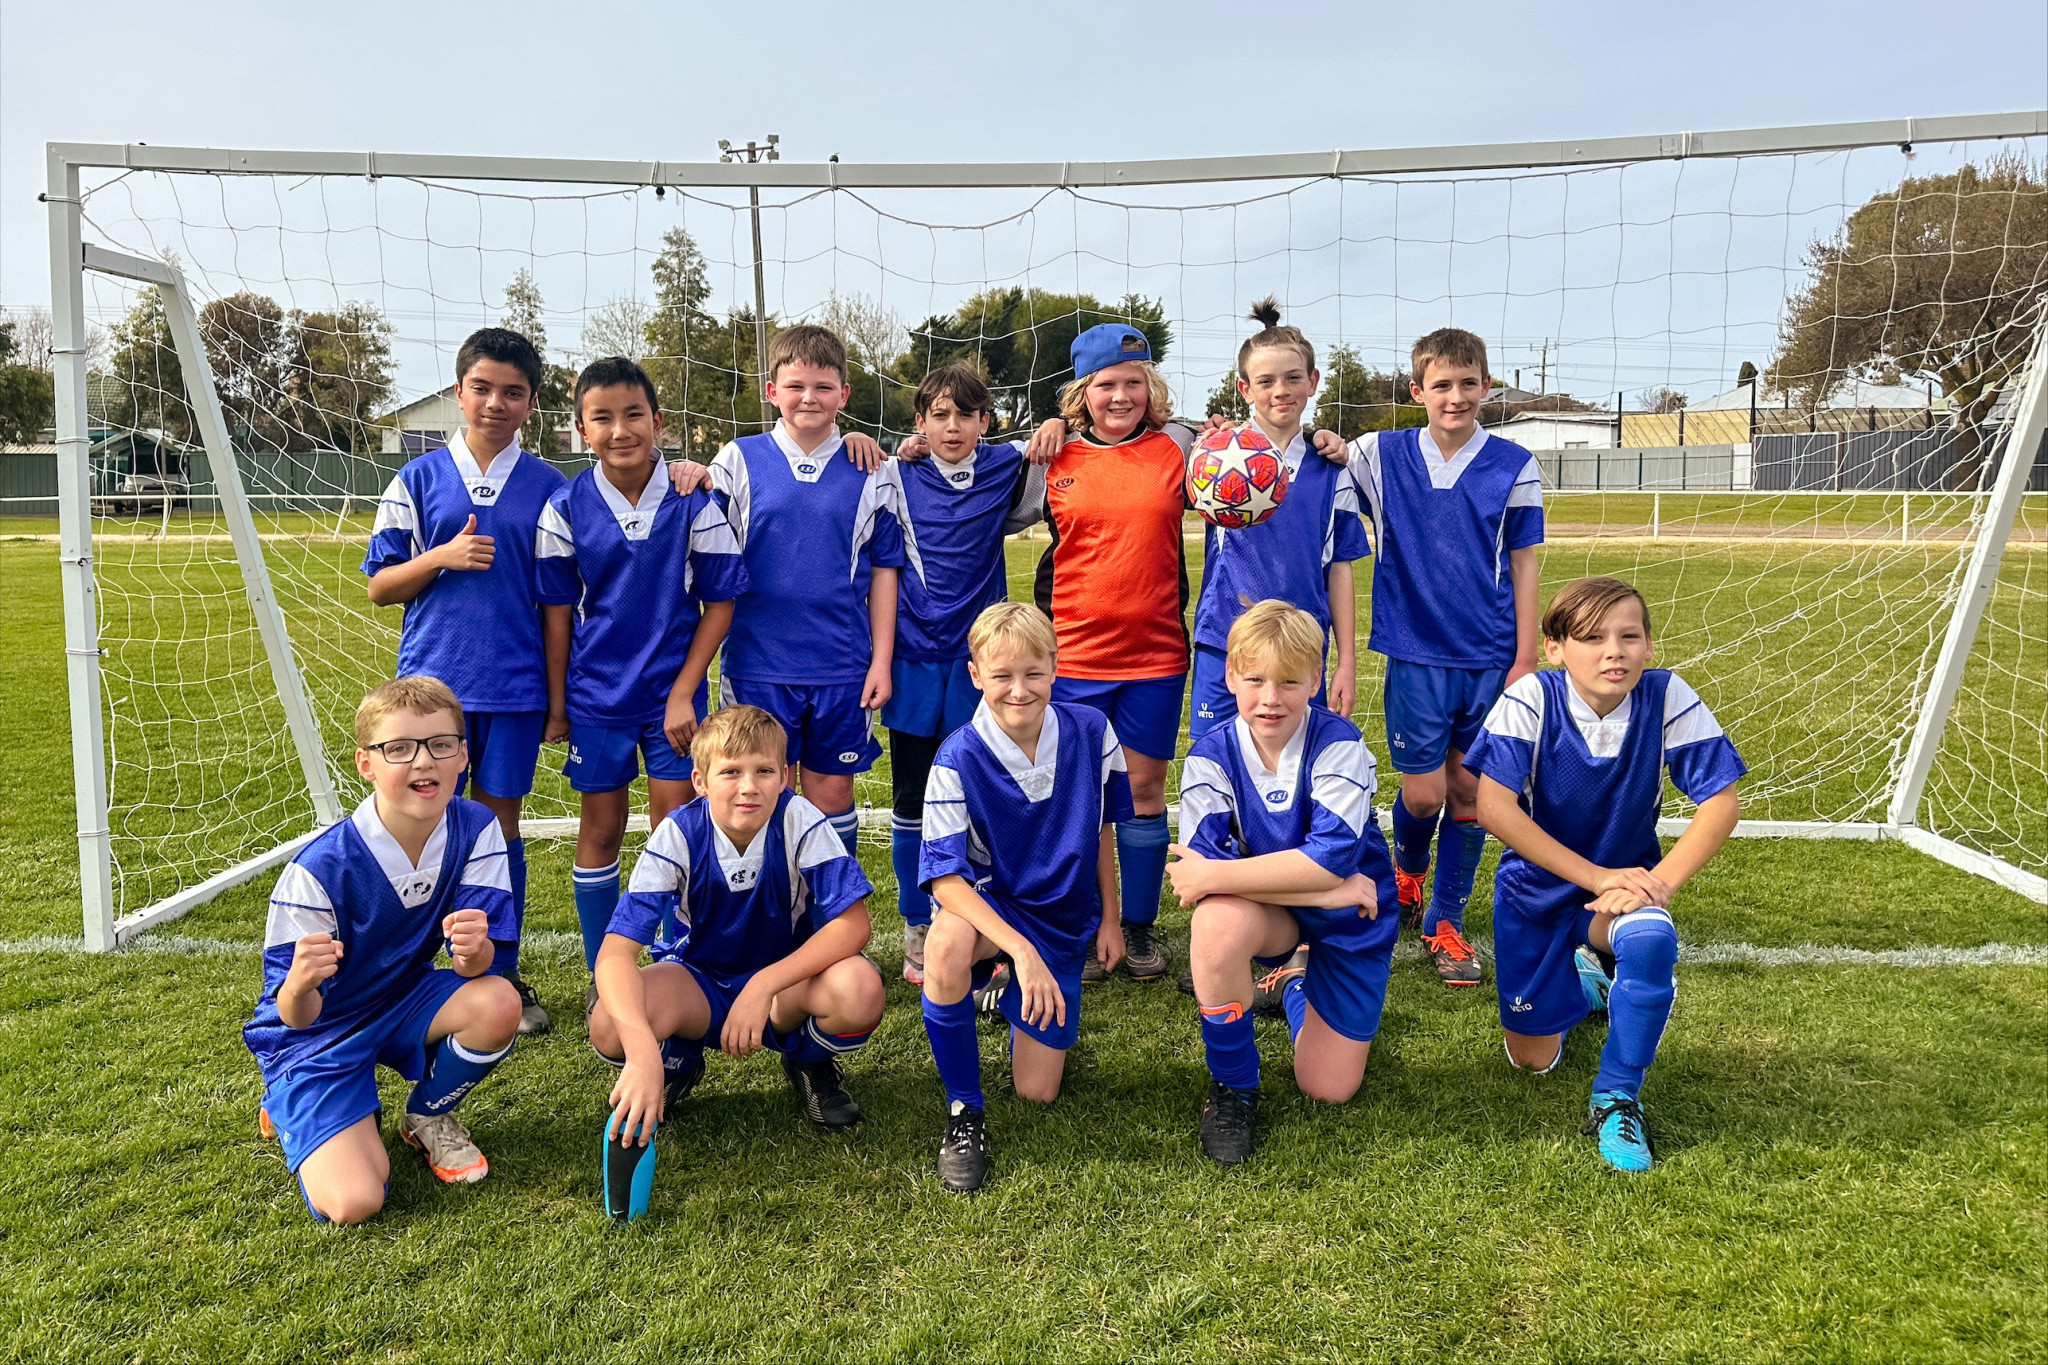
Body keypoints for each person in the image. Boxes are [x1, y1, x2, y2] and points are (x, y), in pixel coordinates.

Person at [1463, 576, 1743, 1173]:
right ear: (1556, 648)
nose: (1612, 650)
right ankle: (1587, 982)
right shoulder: (1530, 698)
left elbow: (1722, 803)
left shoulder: (1666, 696)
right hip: (1536, 894)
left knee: (1651, 937)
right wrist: (1593, 876)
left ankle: (1617, 1098)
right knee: (1532, 1061)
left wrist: (1659, 884)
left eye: (1628, 636)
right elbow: (1493, 808)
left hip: (1616, 897)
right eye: (1591, 637)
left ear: (1647, 647)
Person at [245, 676, 524, 1223]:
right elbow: (293, 1014)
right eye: (399, 749)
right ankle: (294, 1098)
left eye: (440, 744)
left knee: (498, 1002)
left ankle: (426, 1116)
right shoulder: (319, 871)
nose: (423, 763)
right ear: (366, 764)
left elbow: (478, 966)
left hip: (401, 997)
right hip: (318, 1031)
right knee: (356, 1202)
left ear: (463, 754)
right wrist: (300, 983)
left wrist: (473, 951)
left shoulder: (476, 826)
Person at [590, 704, 886, 1220]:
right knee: (609, 1027)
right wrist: (641, 1055)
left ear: (784, 777)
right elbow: (615, 954)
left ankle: (808, 1062)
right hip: (699, 984)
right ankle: (672, 1060)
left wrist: (764, 986)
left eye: (764, 771)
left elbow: (853, 925)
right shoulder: (678, 833)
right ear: (700, 781)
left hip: (782, 993)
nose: (748, 786)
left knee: (860, 988)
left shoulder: (799, 818)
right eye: (731, 772)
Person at [364, 327, 571, 1032]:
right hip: (431, 696)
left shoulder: (550, 486)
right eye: (481, 388)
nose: (494, 402)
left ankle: (503, 967)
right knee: (422, 828)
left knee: (496, 830)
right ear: (459, 392)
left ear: (531, 404)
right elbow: (380, 586)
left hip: (514, 689)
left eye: (512, 392)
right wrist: (442, 555)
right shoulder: (416, 480)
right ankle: (416, 966)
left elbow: (557, 606)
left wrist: (555, 697)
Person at [535, 356, 748, 985]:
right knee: (599, 831)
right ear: (580, 429)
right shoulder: (564, 506)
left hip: (671, 704)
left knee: (673, 831)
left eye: (633, 415)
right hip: (597, 697)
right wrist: (557, 706)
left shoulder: (692, 498)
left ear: (658, 421)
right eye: (601, 418)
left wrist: (684, 693)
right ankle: (607, 967)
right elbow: (555, 617)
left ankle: (676, 964)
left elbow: (722, 603)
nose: (620, 429)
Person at [1346, 327, 1544, 987]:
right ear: (1416, 391)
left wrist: (1525, 656)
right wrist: (1319, 441)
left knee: (1470, 792)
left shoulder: (1514, 464)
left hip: (1489, 656)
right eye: (1441, 384)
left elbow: (1526, 562)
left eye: (1468, 383)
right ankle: (1407, 869)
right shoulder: (1379, 454)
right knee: (1425, 793)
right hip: (1415, 654)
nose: (1454, 396)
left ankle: (1446, 919)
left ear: (1486, 386)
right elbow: (1308, 458)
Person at [1168, 602, 1394, 1165]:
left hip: (1353, 917)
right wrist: (1324, 887)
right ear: (1229, 678)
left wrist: (1326, 887)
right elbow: (1197, 889)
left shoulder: (1340, 744)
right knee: (1216, 924)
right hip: (1287, 908)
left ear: (1316, 681)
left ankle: (1294, 986)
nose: (1271, 698)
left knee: (1328, 1089)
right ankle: (1234, 1087)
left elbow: (1330, 861)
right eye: (1255, 680)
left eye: (1290, 682)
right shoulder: (1211, 755)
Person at [917, 603, 1133, 1192]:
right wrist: (1021, 950)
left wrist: (1110, 920)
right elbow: (946, 882)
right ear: (976, 675)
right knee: (944, 946)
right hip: (991, 910)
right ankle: (965, 1110)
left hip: (1062, 916)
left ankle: (1003, 987)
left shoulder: (1093, 731)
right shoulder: (956, 757)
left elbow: (1103, 829)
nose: (1020, 689)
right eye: (1003, 675)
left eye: (1034, 673)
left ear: (1056, 668)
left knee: (1037, 1092)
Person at [708, 325, 908, 863]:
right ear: (771, 390)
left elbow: (886, 571)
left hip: (840, 665)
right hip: (756, 663)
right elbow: (704, 549)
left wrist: (881, 661)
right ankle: (773, 912)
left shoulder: (872, 469)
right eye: (795, 386)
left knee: (832, 793)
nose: (809, 398)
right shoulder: (737, 460)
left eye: (823, 387)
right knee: (760, 793)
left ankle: (828, 912)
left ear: (844, 394)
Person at [881, 364, 1042, 984]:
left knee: (984, 797)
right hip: (916, 658)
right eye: (939, 415)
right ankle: (917, 922)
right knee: (915, 801)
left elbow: (1059, 447)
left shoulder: (1007, 467)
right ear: (919, 422)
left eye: (965, 415)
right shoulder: (895, 474)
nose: (952, 427)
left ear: (985, 421)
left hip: (987, 665)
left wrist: (1054, 421)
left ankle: (988, 924)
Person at [1188, 299, 1370, 739]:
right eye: (1265, 381)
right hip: (1225, 638)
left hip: (1302, 643)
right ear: (1244, 389)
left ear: (1313, 383)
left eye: (1292, 379)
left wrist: (1346, 661)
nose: (1280, 391)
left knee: (1293, 765)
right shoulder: (1214, 456)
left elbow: (1339, 569)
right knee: (1218, 764)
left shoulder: (1332, 467)